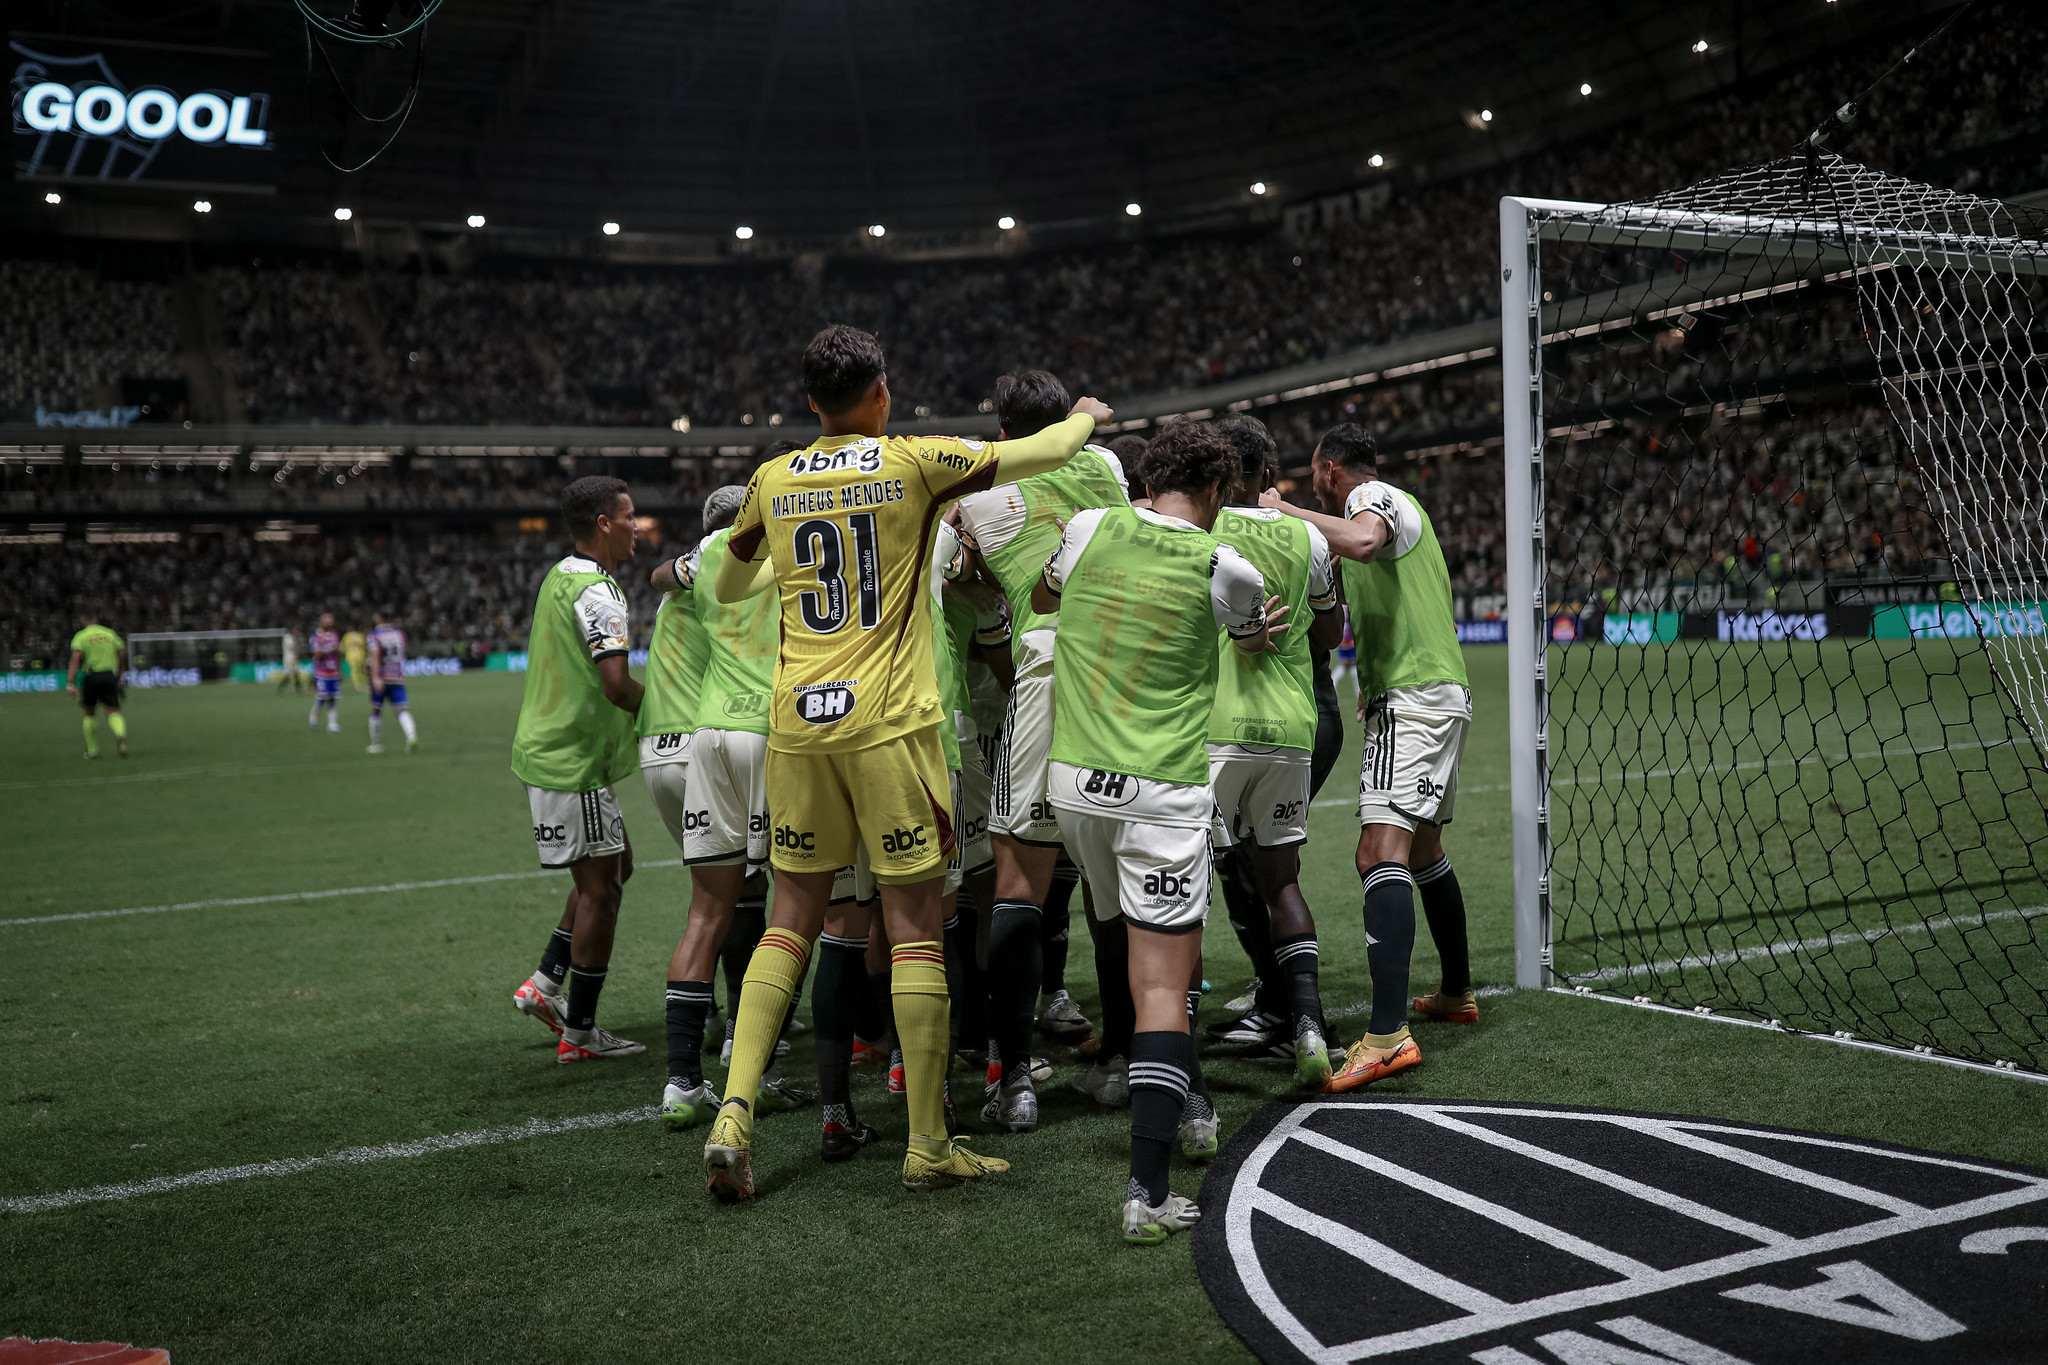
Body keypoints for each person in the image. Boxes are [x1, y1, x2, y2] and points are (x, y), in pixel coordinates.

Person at [701, 323, 1112, 1200]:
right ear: (881, 393)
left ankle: (732, 1113)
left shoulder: (771, 479)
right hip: (891, 724)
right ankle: (928, 1142)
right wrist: (1081, 416)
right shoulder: (915, 461)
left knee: (791, 920)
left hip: (797, 728)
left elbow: (728, 584)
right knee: (918, 925)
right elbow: (1036, 451)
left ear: (810, 401)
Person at [1031, 419, 1283, 1245]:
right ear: (1214, 491)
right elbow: (1251, 641)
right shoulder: (1225, 563)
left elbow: (1044, 595)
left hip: (1073, 787)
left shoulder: (1089, 525)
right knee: (1164, 987)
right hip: (1159, 797)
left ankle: (1182, 1098)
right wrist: (1256, 632)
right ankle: (1147, 1192)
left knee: (1122, 947)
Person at [1259, 423, 1478, 1093]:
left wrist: (1282, 512)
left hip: (1413, 700)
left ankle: (1386, 1038)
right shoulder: (1396, 503)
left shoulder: (1371, 497)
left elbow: (1358, 539)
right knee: (1421, 849)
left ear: (1329, 467)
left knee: (1377, 853)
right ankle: (1457, 990)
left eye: (1313, 472)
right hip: (1432, 693)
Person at [952, 368, 1131, 1125]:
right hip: (1127, 669)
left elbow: (968, 572)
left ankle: (1016, 1081)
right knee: (1113, 877)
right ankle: (1125, 1060)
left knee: (1017, 879)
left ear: (1002, 430)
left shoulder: (979, 489)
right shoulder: (1110, 466)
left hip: (1048, 665)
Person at [656, 482, 807, 1126]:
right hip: (772, 733)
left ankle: (682, 1082)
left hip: (709, 735)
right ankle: (759, 1070)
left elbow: (665, 572)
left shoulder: (710, 551)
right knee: (795, 909)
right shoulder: (793, 549)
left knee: (705, 913)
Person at [1205, 416, 1344, 1089]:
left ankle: (1175, 1067)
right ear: (1269, 475)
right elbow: (1330, 631)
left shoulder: (1201, 534)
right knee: (1281, 879)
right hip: (1291, 726)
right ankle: (1308, 1025)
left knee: (1185, 887)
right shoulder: (1307, 534)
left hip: (1214, 727)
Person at [509, 476, 647, 1063]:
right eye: (629, 516)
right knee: (602, 891)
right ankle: (582, 1033)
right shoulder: (597, 593)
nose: (637, 526)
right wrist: (675, 711)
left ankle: (543, 985)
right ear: (603, 524)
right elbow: (617, 686)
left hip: (551, 750)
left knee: (616, 867)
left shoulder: (559, 576)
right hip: (574, 762)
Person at [638, 502, 713, 1124]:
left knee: (707, 900)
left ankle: (686, 1069)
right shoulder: (738, 574)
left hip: (654, 747)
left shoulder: (681, 581)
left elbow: (660, 574)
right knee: (751, 895)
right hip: (706, 741)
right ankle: (753, 1047)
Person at [67, 613, 128, 760]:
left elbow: (76, 658)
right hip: (109, 676)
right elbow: (121, 654)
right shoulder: (110, 633)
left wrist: (70, 682)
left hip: (91, 677)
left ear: (83, 619)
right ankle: (120, 735)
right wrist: (119, 674)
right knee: (113, 711)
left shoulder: (81, 636)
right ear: (97, 619)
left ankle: (93, 751)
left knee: (89, 713)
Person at [364, 612, 418, 754]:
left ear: (378, 619)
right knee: (401, 709)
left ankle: (376, 744)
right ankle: (411, 735)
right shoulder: (399, 634)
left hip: (382, 675)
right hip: (397, 675)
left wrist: (375, 677)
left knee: (376, 709)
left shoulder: (375, 635)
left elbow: (375, 655)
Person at [308, 614, 344, 733]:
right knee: (322, 698)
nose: (330, 623)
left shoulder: (334, 635)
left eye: (331, 621)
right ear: (321, 622)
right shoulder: (316, 636)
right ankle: (313, 717)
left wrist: (340, 671)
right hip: (321, 672)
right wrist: (330, 649)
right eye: (327, 621)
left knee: (333, 698)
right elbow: (317, 653)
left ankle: (332, 724)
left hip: (333, 671)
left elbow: (337, 655)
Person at [277, 628, 306, 695]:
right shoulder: (287, 638)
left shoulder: (294, 638)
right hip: (289, 659)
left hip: (295, 659)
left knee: (296, 674)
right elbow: (292, 647)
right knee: (287, 674)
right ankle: (280, 688)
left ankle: (299, 690)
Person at [342, 626, 369, 694]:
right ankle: (365, 684)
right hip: (361, 655)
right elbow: (366, 645)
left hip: (351, 656)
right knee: (362, 670)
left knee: (354, 671)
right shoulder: (361, 636)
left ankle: (358, 686)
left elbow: (342, 648)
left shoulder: (346, 636)